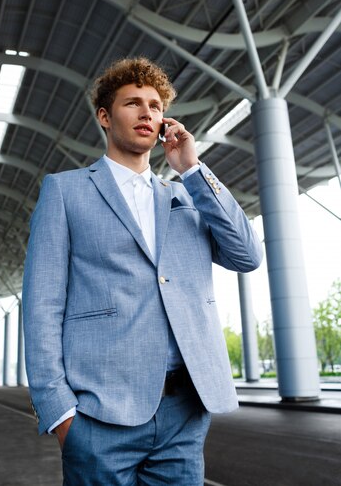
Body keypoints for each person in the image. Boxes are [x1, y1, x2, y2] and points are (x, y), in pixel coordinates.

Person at [22, 56, 263, 485]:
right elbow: (42, 305)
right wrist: (59, 410)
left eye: (155, 105)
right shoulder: (66, 191)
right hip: (99, 414)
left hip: (183, 414)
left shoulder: (187, 196)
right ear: (104, 116)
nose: (147, 112)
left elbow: (246, 255)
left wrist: (192, 170)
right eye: (133, 103)